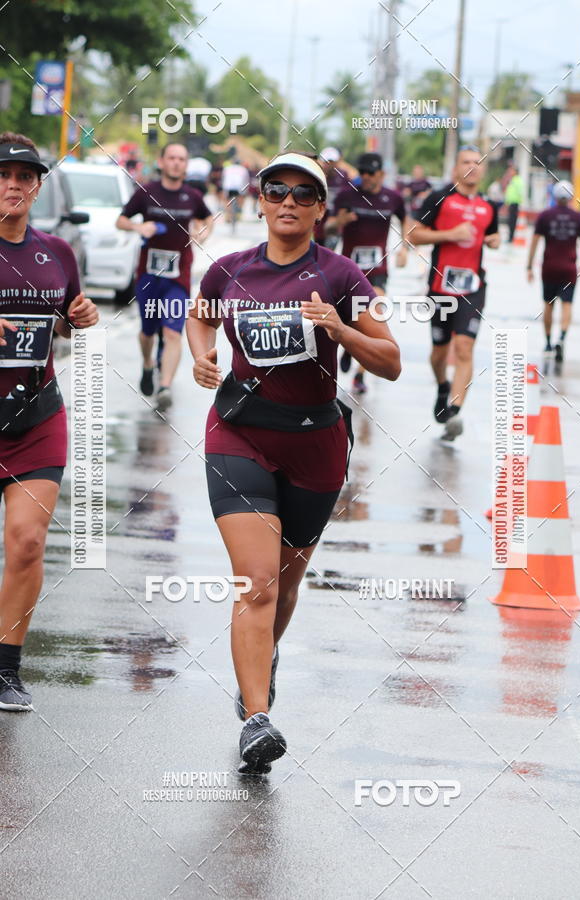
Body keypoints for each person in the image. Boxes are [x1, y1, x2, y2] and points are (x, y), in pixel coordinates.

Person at [186, 151, 400, 774]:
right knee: (256, 580)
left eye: (303, 194)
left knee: (286, 579)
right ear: (259, 199)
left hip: (315, 444)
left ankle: (263, 659)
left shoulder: (341, 278)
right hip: (239, 436)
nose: (288, 201)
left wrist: (341, 329)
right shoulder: (228, 271)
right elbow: (199, 322)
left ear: (320, 209)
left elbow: (389, 360)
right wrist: (201, 356)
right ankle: (257, 720)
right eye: (276, 190)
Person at [0, 132, 98, 710]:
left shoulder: (57, 252)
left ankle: (6, 667)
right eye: (4, 174)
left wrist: (79, 317)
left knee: (29, 542)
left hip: (35, 415)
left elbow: (68, 317)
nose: (13, 185)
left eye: (24, 177)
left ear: (38, 187)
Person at [411, 146, 500, 441]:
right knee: (438, 353)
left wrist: (494, 240)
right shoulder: (440, 197)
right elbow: (413, 235)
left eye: (478, 162)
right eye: (467, 162)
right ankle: (442, 386)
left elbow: (492, 235)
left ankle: (455, 412)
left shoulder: (490, 206)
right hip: (440, 288)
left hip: (473, 288)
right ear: (456, 168)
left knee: (464, 348)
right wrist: (450, 235)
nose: (473, 166)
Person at [116, 142, 213, 412]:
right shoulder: (146, 193)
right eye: (171, 158)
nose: (176, 163)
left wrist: (203, 233)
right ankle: (148, 364)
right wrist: (139, 226)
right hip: (148, 276)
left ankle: (165, 386)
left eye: (181, 159)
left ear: (185, 165)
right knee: (148, 332)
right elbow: (121, 220)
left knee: (173, 332)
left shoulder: (192, 196)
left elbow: (208, 219)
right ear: (161, 161)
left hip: (177, 279)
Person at [328, 151, 407, 393]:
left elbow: (406, 222)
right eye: (362, 172)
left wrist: (404, 248)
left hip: (377, 269)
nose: (366, 177)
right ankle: (350, 347)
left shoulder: (393, 198)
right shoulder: (346, 195)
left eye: (370, 173)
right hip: (347, 270)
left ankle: (360, 374)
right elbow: (327, 227)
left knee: (376, 312)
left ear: (381, 173)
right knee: (348, 318)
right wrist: (340, 221)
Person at [527, 180, 580, 363]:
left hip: (549, 268)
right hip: (569, 269)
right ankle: (561, 338)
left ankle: (547, 343)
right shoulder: (578, 218)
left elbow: (535, 241)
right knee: (567, 305)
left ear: (554, 196)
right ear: (571, 197)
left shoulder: (545, 216)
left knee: (548, 305)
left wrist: (529, 266)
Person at [314, 147, 352, 249]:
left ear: (337, 163)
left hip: (335, 221)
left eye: (331, 162)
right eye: (326, 162)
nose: (329, 165)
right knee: (319, 250)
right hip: (320, 220)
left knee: (330, 250)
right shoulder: (317, 175)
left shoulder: (343, 176)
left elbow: (349, 195)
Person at [221, 158, 250, 222]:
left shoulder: (227, 168)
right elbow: (246, 180)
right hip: (239, 187)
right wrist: (246, 191)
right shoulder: (243, 169)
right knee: (241, 198)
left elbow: (223, 178)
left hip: (228, 186)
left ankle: (228, 216)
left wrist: (223, 190)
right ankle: (239, 212)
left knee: (227, 201)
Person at [504, 163, 524, 243]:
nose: (510, 172)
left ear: (515, 172)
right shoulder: (512, 180)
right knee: (510, 221)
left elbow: (520, 192)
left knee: (512, 221)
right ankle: (510, 237)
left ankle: (511, 238)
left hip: (515, 203)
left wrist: (520, 201)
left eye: (512, 171)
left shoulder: (517, 180)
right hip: (511, 203)